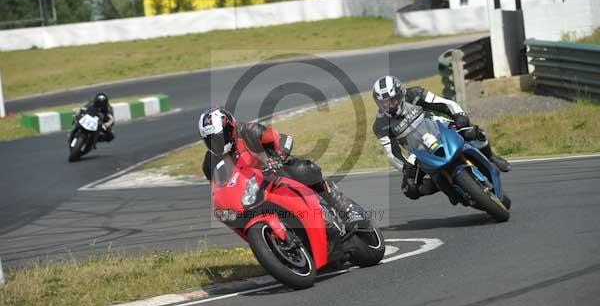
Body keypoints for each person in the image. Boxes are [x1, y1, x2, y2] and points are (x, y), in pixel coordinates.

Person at [198, 107, 363, 229]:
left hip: (277, 173)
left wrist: (277, 158)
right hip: (252, 193)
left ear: (229, 128)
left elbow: (285, 139)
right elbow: (217, 188)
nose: (216, 143)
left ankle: (345, 208)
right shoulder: (209, 161)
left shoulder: (249, 131)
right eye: (210, 139)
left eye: (218, 137)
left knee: (306, 170)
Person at [371, 75, 510, 200]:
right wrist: (406, 168)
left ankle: (491, 156)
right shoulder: (380, 125)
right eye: (384, 103)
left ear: (400, 94)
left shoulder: (415, 94)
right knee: (409, 189)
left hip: (441, 129)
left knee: (473, 132)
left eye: (393, 101)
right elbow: (392, 154)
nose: (389, 106)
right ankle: (442, 184)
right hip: (418, 152)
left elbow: (445, 103)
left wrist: (459, 116)